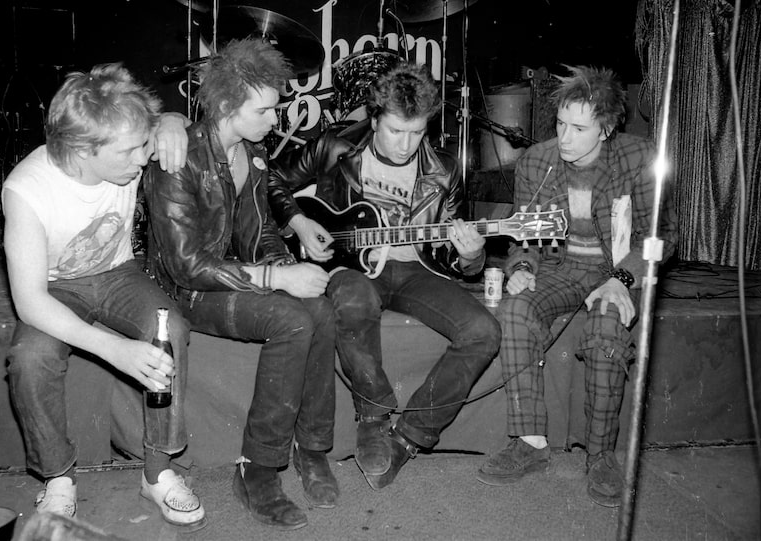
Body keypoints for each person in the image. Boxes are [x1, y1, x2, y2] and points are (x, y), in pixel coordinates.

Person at [267, 61, 502, 490]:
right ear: (374, 119)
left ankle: (409, 437)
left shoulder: (443, 170)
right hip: (348, 265)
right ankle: (373, 415)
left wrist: (473, 256)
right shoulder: (336, 146)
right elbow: (273, 178)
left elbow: (455, 257)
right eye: (396, 131)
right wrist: (299, 222)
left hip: (415, 270)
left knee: (484, 330)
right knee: (355, 297)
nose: (406, 145)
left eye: (417, 133)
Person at [143, 38, 337, 531]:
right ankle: (259, 470)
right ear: (229, 107)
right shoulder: (179, 158)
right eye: (267, 110)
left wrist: (287, 269)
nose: (276, 120)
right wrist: (276, 279)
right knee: (292, 320)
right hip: (185, 291)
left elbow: (263, 229)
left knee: (319, 308)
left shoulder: (251, 152)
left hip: (230, 276)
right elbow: (186, 266)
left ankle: (312, 449)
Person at [1, 63, 205, 529]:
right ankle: (58, 479)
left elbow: (175, 128)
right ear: (82, 149)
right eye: (131, 150)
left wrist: (173, 120)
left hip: (116, 272)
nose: (143, 158)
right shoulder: (26, 190)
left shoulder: (122, 139)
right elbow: (31, 302)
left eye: (143, 143)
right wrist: (114, 348)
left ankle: (158, 473)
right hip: (56, 289)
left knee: (169, 327)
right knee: (31, 358)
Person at [476, 65, 677, 507]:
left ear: (605, 129)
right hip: (560, 267)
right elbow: (525, 236)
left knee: (607, 326)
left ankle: (601, 454)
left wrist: (622, 281)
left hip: (614, 268)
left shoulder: (638, 158)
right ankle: (529, 443)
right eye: (561, 124)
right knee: (516, 308)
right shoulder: (536, 161)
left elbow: (660, 236)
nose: (564, 137)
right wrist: (521, 268)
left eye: (579, 128)